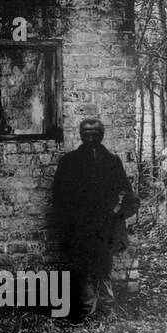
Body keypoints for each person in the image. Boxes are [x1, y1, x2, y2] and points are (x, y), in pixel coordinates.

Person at [52, 117, 139, 321]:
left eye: (95, 134)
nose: (90, 138)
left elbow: (128, 194)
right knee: (83, 270)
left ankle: (106, 311)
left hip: (106, 228)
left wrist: (117, 214)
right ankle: (87, 313)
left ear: (102, 135)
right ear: (81, 135)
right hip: (80, 228)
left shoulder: (112, 161)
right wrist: (70, 224)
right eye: (86, 133)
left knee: (104, 268)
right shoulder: (69, 162)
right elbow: (59, 198)